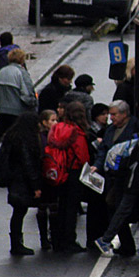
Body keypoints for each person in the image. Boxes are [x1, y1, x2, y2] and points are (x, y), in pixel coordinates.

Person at [88, 100, 139, 255]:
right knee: (114, 208)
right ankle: (127, 245)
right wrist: (97, 165)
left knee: (120, 209)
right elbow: (103, 150)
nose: (110, 117)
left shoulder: (138, 127)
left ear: (124, 114)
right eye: (110, 114)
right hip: (113, 176)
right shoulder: (110, 130)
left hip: (128, 176)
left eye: (114, 114)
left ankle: (123, 244)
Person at [94, 136, 139, 257]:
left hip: (128, 183)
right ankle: (106, 239)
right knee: (122, 211)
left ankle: (115, 242)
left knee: (121, 212)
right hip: (133, 185)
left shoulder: (136, 147)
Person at [47, 101, 91, 253]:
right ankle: (69, 240)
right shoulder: (76, 132)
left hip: (59, 171)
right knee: (71, 208)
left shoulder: (57, 128)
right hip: (73, 172)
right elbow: (83, 156)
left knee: (61, 206)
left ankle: (56, 239)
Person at [0, 112, 43, 256]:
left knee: (18, 212)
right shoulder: (25, 140)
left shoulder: (11, 136)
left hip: (13, 179)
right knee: (20, 211)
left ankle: (16, 242)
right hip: (21, 181)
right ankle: (17, 244)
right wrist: (35, 185)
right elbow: (28, 164)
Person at [0, 48, 37, 149]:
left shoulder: (1, 72)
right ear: (22, 60)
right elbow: (27, 95)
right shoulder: (22, 73)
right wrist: (33, 105)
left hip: (2, 111)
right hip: (17, 112)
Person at [35, 110, 59, 250]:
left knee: (52, 207)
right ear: (44, 122)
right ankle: (45, 238)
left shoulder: (54, 135)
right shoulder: (41, 138)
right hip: (45, 176)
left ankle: (52, 237)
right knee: (44, 207)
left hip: (53, 175)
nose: (55, 123)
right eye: (52, 120)